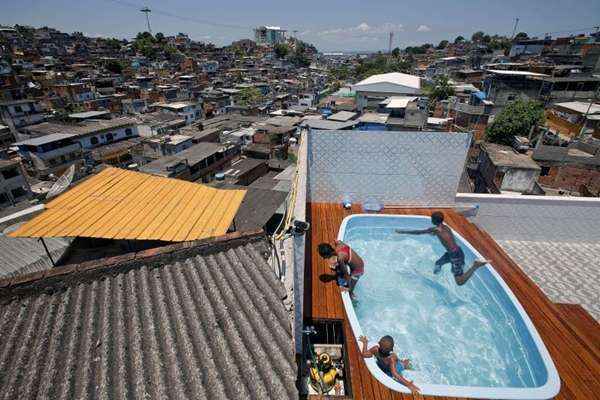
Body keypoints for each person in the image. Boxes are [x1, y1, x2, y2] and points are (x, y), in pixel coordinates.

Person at [395, 211, 488, 286]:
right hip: (456, 251)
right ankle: (434, 279)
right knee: (438, 263)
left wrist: (402, 231)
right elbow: (445, 237)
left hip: (455, 256)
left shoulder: (435, 229)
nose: (431, 220)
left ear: (434, 221)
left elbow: (418, 232)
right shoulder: (446, 227)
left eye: (432, 219)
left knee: (459, 282)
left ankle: (475, 265)